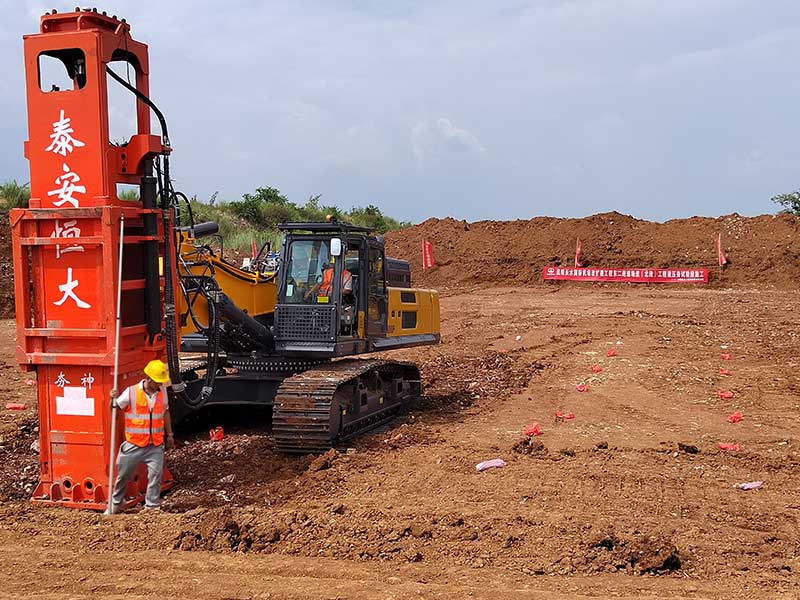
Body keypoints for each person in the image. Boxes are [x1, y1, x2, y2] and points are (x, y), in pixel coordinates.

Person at [105, 359, 175, 514]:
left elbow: (165, 412)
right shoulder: (131, 392)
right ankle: (115, 504)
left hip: (155, 444)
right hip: (134, 444)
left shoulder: (162, 392)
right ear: (148, 378)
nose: (160, 385)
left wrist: (169, 435)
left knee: (156, 475)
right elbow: (115, 408)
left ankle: (152, 507)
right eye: (157, 382)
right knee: (123, 476)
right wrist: (112, 398)